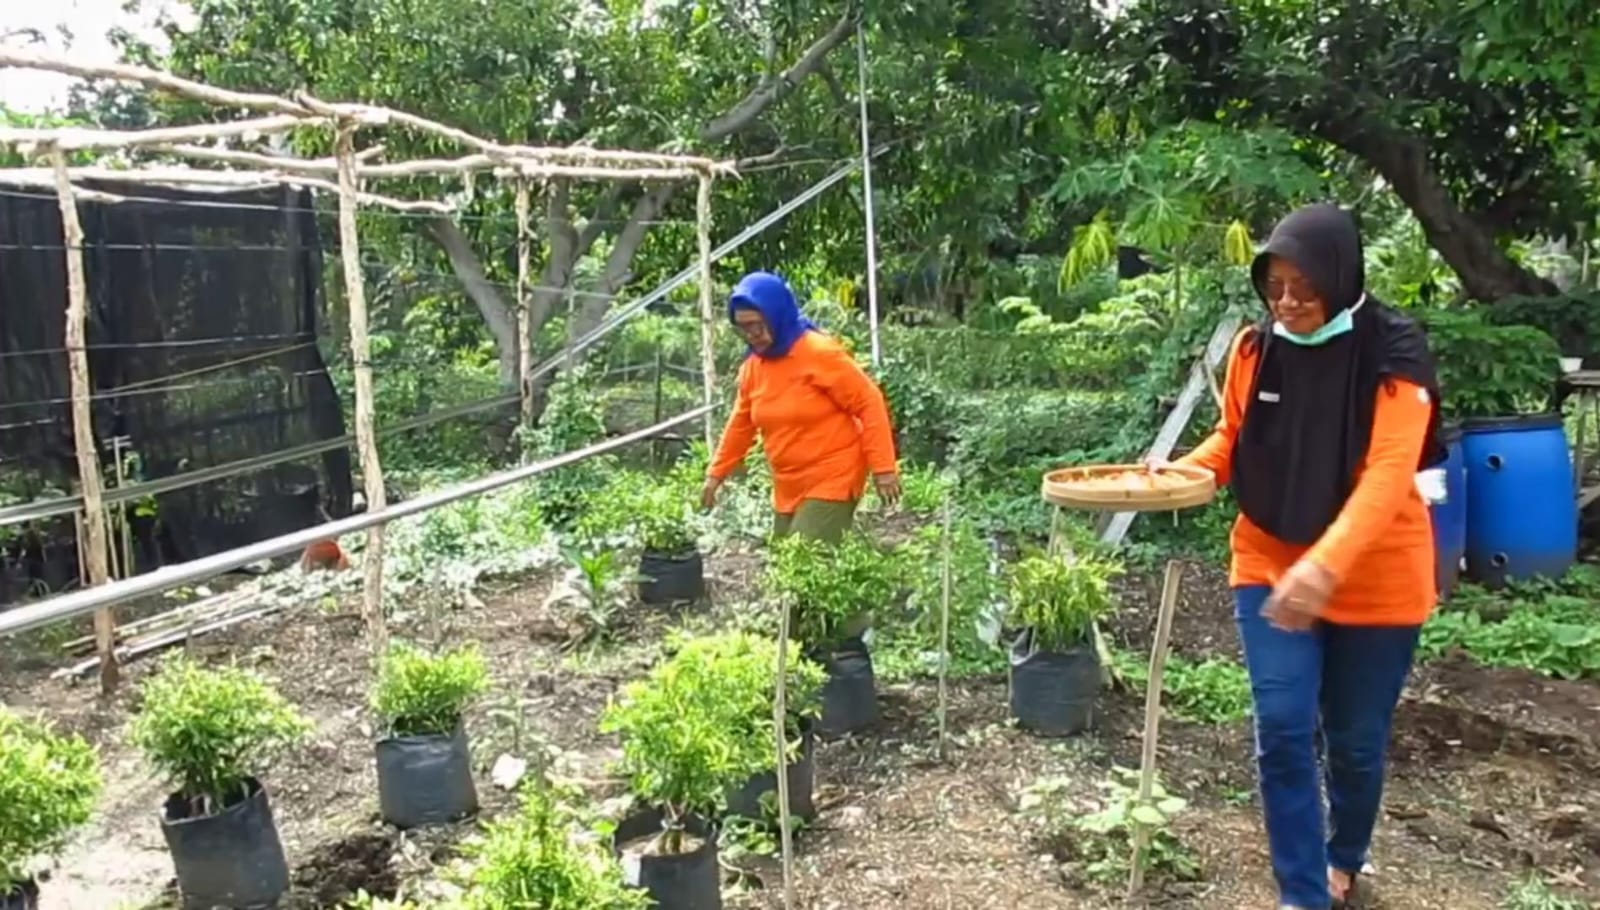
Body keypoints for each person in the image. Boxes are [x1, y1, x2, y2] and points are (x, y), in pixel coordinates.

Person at [1174, 204, 1444, 910]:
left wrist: (1324, 566)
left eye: (1305, 286)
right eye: (1276, 285)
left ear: (1342, 275)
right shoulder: (1255, 350)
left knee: (1355, 743)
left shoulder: (1395, 353)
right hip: (1269, 561)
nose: (1288, 302)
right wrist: (1178, 475)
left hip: (1377, 574)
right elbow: (1231, 438)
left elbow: (1390, 474)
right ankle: (1303, 892)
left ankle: (1344, 852)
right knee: (1285, 726)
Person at [701, 271, 900, 541]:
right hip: (788, 484)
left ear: (775, 314)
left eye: (757, 325)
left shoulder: (817, 352)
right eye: (743, 328)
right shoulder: (754, 367)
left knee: (804, 556)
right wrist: (716, 475)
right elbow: (741, 424)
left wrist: (884, 469)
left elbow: (869, 400)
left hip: (833, 475)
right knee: (785, 561)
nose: (752, 335)